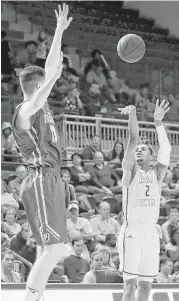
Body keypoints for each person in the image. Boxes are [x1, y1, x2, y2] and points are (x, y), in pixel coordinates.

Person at [11, 4, 73, 301]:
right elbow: (38, 96)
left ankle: (37, 294)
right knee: (56, 249)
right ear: (37, 85)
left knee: (47, 247)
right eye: (45, 82)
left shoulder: (42, 102)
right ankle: (30, 298)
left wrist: (59, 31)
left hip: (52, 180)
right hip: (40, 180)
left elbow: (49, 69)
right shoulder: (24, 109)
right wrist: (52, 78)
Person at [118, 101, 171, 301]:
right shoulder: (130, 171)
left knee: (146, 287)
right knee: (130, 285)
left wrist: (158, 123)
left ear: (152, 155)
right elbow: (132, 139)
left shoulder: (157, 173)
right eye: (137, 150)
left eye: (144, 149)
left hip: (150, 231)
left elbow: (166, 148)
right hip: (132, 231)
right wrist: (132, 114)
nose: (139, 150)